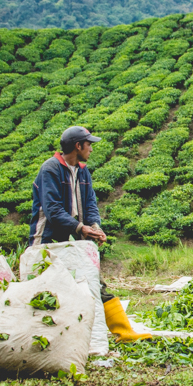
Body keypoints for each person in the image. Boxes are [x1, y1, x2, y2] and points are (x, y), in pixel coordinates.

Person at [29, 126, 148, 342]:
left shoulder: (82, 171)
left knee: (92, 282)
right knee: (45, 287)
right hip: (47, 240)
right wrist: (81, 228)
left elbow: (91, 203)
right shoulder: (51, 169)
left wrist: (95, 227)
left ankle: (124, 331)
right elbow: (53, 210)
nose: (91, 149)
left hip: (74, 237)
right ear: (78, 146)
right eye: (89, 144)